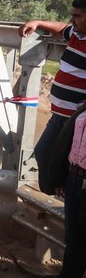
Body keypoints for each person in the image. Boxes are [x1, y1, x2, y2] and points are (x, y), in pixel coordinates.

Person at [18, 0, 86, 193]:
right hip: (60, 115)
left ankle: (64, 202)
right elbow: (61, 27)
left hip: (76, 121)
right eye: (71, 15)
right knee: (44, 155)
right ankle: (58, 198)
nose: (72, 20)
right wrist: (37, 22)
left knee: (65, 163)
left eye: (77, 16)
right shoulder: (76, 33)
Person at [46, 104, 86, 278]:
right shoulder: (83, 108)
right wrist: (60, 178)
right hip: (73, 177)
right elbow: (65, 143)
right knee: (72, 234)